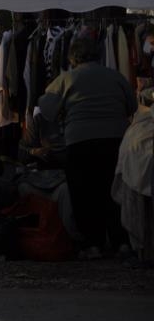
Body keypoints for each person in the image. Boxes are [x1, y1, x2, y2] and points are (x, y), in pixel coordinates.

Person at [37, 37, 136, 260]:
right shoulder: (115, 76)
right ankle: (121, 242)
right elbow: (133, 106)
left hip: (80, 141)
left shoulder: (67, 79)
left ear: (72, 56)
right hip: (114, 141)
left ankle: (93, 244)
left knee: (84, 194)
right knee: (113, 191)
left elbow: (47, 109)